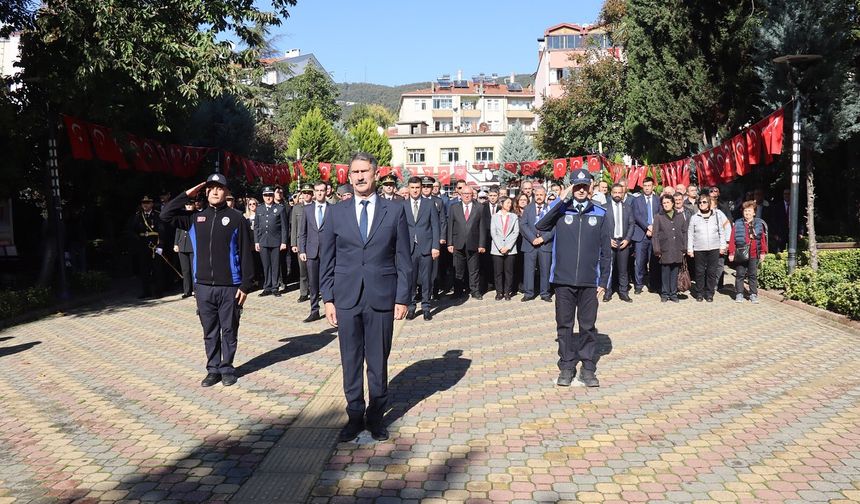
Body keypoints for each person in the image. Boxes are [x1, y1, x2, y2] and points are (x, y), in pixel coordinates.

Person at [320, 152, 412, 443]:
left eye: (365, 171)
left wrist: (402, 298)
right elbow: (328, 259)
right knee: (350, 360)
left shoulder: (395, 210)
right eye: (355, 172)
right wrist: (328, 298)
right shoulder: (336, 212)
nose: (359, 176)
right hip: (346, 297)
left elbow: (403, 258)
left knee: (377, 360)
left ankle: (376, 417)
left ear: (375, 174)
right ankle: (354, 416)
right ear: (349, 176)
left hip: (382, 297)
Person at [161, 173, 254, 387]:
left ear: (226, 192)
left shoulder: (237, 218)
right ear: (204, 191)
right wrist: (187, 194)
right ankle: (213, 369)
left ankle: (227, 367)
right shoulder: (195, 218)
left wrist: (246, 285)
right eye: (210, 188)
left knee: (229, 329)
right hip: (203, 287)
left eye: (219, 188)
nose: (214, 191)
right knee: (210, 330)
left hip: (230, 287)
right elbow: (166, 215)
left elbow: (246, 254)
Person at [536, 169, 611, 388]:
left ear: (590, 187)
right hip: (563, 279)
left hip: (590, 281)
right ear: (571, 188)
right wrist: (562, 198)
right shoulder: (561, 210)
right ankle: (567, 366)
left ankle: (588, 367)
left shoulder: (600, 213)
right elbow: (541, 225)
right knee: (564, 326)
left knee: (587, 326)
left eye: (584, 186)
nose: (580, 190)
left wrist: (604, 282)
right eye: (576, 186)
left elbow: (606, 251)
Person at [402, 176, 441, 320]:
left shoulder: (429, 204)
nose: (415, 190)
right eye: (412, 188)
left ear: (421, 187)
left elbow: (435, 226)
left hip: (426, 247)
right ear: (408, 188)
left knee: (426, 279)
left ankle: (426, 307)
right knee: (410, 279)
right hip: (409, 248)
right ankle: (411, 307)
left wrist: (435, 246)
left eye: (417, 187)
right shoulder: (403, 205)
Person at [447, 181, 488, 300]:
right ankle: (458, 291)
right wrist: (450, 243)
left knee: (474, 270)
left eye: (469, 193)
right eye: (464, 193)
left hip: (473, 243)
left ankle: (475, 291)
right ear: (460, 194)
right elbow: (450, 225)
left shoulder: (479, 207)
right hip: (457, 243)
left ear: (472, 195)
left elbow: (482, 227)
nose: (466, 196)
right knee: (458, 270)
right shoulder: (454, 207)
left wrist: (481, 244)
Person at [298, 181, 329, 322]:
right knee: (313, 283)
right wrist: (302, 249)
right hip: (311, 252)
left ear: (327, 191)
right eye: (317, 190)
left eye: (322, 190)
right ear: (314, 193)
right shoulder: (308, 209)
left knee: (329, 282)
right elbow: (302, 232)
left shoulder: (333, 209)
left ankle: (331, 309)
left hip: (328, 252)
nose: (320, 193)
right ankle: (314, 310)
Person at [686, 195, 726, 302]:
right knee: (699, 271)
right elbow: (690, 234)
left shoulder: (717, 216)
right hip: (699, 248)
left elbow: (721, 232)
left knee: (711, 271)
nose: (702, 204)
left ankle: (709, 293)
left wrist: (722, 246)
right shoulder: (694, 217)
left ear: (709, 203)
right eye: (700, 202)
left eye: (704, 202)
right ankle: (699, 292)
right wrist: (690, 249)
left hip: (714, 248)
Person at [519, 185, 555, 302]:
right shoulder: (528, 208)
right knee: (528, 270)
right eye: (537, 195)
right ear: (534, 195)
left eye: (541, 195)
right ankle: (529, 293)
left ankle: (545, 293)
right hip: (530, 244)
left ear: (545, 196)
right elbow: (523, 225)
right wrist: (532, 238)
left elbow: (554, 228)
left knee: (545, 270)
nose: (539, 197)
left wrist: (543, 238)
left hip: (545, 244)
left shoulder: (550, 208)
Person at [729, 201, 768, 303]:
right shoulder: (737, 223)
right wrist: (731, 252)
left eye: (749, 211)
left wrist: (763, 252)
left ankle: (753, 294)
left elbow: (762, 239)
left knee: (753, 275)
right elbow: (732, 238)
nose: (747, 213)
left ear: (754, 212)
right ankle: (739, 293)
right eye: (745, 211)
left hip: (754, 253)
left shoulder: (759, 223)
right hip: (741, 252)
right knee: (740, 274)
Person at [652, 194, 687, 303]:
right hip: (665, 249)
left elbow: (684, 232)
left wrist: (684, 247)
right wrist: (657, 249)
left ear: (672, 203)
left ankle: (673, 293)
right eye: (664, 203)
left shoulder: (680, 216)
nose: (666, 205)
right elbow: (655, 234)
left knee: (674, 271)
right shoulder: (658, 217)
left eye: (668, 202)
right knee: (665, 271)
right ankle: (665, 293)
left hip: (677, 248)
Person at [254, 186, 288, 297]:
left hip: (276, 241)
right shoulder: (259, 209)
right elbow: (257, 226)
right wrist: (256, 242)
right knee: (266, 265)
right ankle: (267, 287)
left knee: (275, 265)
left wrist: (283, 242)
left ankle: (275, 287)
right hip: (263, 241)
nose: (268, 197)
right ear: (263, 196)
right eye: (265, 195)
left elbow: (284, 227)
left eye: (270, 195)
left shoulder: (280, 208)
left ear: (273, 196)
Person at [128, 195, 165, 299]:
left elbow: (161, 231)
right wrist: (137, 240)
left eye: (148, 203)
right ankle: (146, 292)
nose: (145, 205)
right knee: (144, 270)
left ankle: (158, 292)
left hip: (154, 245)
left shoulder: (157, 215)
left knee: (157, 269)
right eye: (144, 203)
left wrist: (160, 245)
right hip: (143, 246)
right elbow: (132, 230)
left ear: (152, 204)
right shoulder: (138, 216)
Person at [604, 183, 634, 302]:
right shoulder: (604, 207)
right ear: (611, 193)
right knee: (608, 269)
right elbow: (602, 226)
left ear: (623, 194)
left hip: (623, 242)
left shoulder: (628, 207)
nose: (617, 195)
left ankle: (623, 292)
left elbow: (632, 224)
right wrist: (607, 240)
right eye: (615, 192)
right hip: (609, 242)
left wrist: (627, 239)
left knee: (623, 269)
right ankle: (607, 292)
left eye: (619, 193)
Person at [632, 177, 660, 294]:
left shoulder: (658, 199)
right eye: (645, 186)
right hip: (641, 235)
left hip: (655, 235)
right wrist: (648, 226)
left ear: (653, 186)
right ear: (643, 187)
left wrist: (654, 228)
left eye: (649, 185)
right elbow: (636, 215)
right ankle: (638, 285)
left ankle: (653, 284)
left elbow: (660, 214)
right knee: (639, 262)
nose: (647, 188)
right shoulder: (637, 200)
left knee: (653, 261)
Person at [490, 196, 519, 300]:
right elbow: (493, 232)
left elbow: (516, 232)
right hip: (497, 249)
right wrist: (500, 247)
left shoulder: (514, 216)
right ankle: (499, 292)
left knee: (509, 272)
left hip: (510, 250)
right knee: (498, 272)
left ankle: (507, 292)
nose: (509, 205)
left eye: (510, 203)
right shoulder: (494, 217)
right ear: (501, 204)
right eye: (507, 203)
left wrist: (507, 247)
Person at [290, 184, 313, 302]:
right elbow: (294, 226)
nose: (306, 195)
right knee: (303, 271)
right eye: (304, 193)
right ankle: (304, 292)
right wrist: (294, 244)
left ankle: (314, 291)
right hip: (301, 243)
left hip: (314, 243)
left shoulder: (316, 206)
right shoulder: (297, 208)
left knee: (314, 270)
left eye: (309, 193)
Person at [174, 201, 196, 298]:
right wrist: (176, 243)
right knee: (185, 270)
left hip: (192, 244)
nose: (188, 206)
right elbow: (178, 230)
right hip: (182, 244)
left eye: (190, 205)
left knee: (194, 269)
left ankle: (196, 290)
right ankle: (187, 290)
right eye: (187, 205)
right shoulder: (182, 215)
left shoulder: (196, 215)